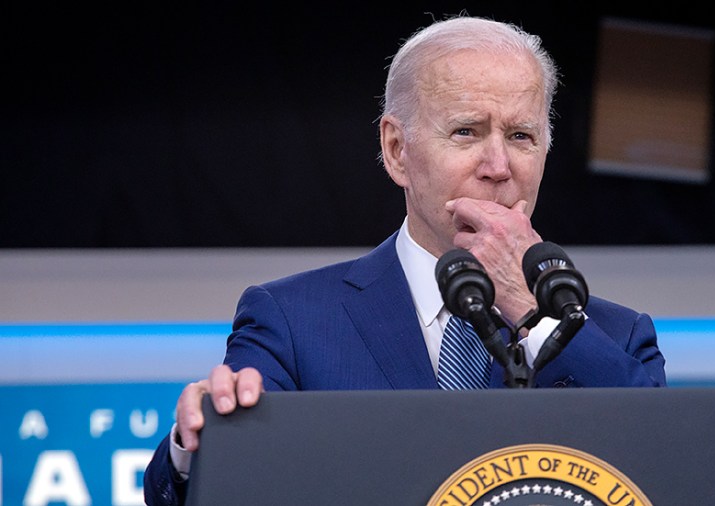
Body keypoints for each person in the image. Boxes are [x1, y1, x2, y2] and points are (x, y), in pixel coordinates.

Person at [144, 14, 666, 505]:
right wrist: (196, 443)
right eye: (466, 131)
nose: (498, 166)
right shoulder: (293, 322)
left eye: (520, 136)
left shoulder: (618, 338)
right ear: (397, 150)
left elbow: (666, 468)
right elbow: (222, 481)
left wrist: (524, 303)